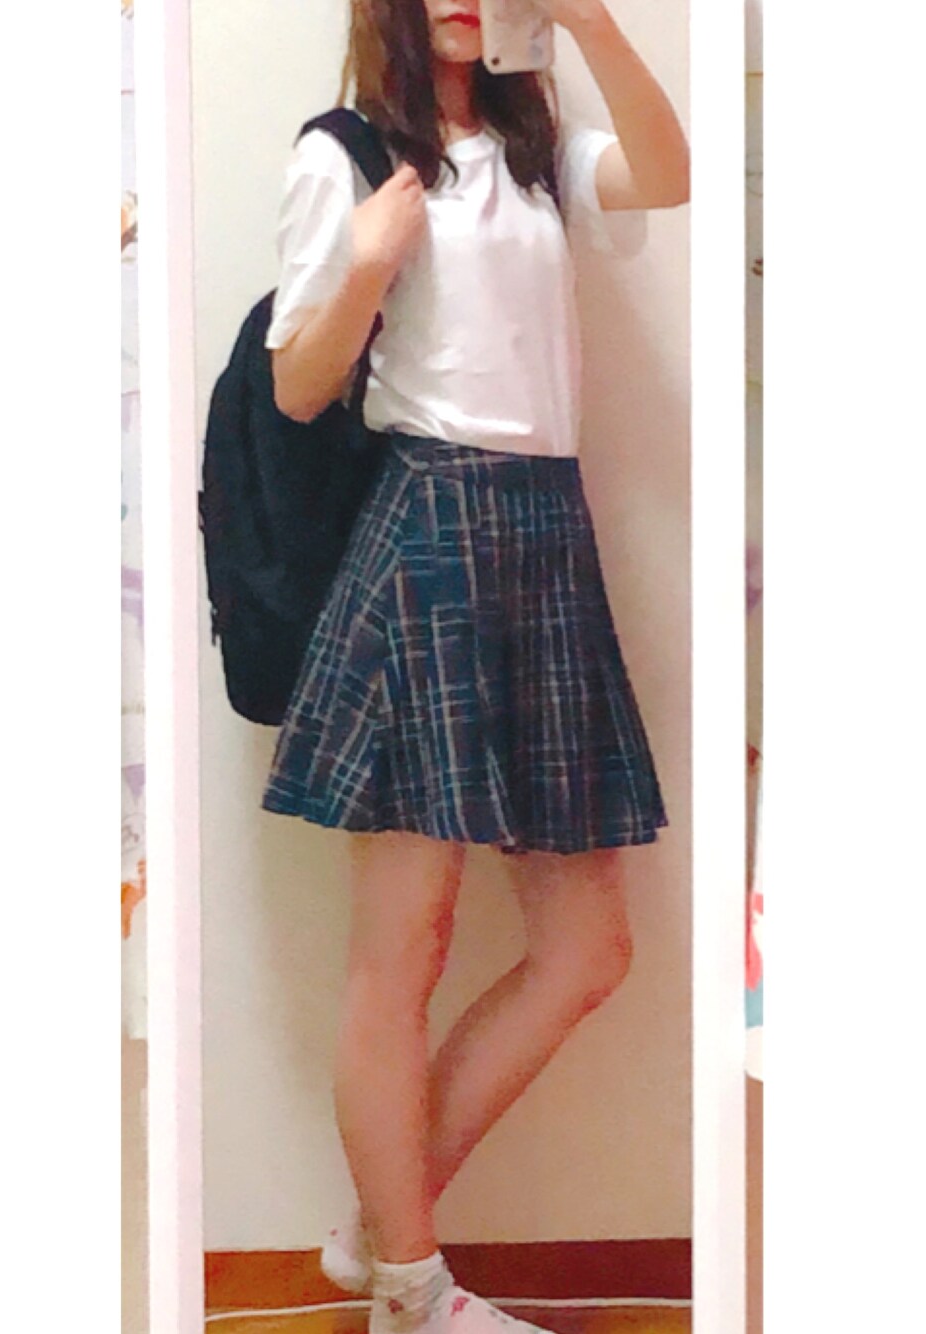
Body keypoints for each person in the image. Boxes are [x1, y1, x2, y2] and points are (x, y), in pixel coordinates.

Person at [260, 3, 689, 1331]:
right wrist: (366, 267)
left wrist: (586, 18)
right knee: (407, 945)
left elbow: (667, 175)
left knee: (587, 948)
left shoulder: (535, 148)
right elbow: (296, 385)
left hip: (547, 537)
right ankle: (412, 1287)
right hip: (427, 530)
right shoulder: (344, 153)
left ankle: (380, 1234)